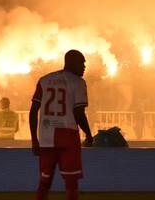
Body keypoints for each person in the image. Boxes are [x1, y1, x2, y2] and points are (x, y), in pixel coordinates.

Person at [30, 51, 93, 200]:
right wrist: (89, 134)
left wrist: (34, 140)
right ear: (71, 62)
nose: (84, 66)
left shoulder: (44, 80)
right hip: (68, 135)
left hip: (46, 137)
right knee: (72, 183)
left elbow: (33, 111)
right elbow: (78, 113)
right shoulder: (77, 82)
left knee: (44, 181)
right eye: (81, 62)